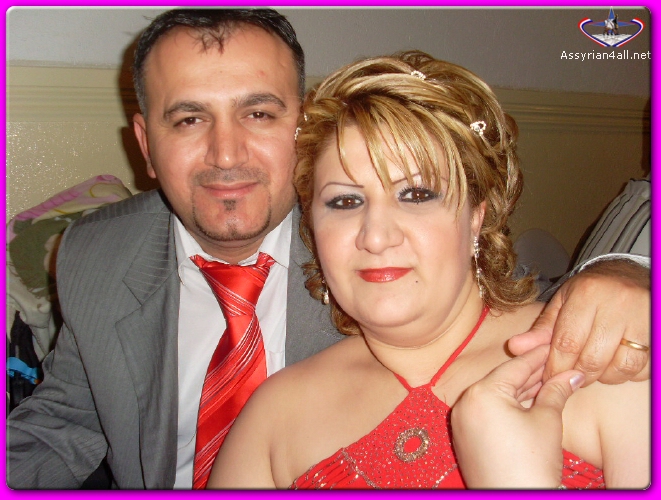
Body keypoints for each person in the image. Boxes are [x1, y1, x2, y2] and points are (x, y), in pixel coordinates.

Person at [6, 9, 649, 490]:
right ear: (146, 144)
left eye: (259, 113)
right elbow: (61, 423)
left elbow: (539, 295)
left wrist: (627, 270)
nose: (225, 154)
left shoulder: (600, 370)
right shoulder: (96, 256)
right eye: (190, 118)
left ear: (300, 129)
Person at [208, 51, 650, 489]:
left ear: (476, 216)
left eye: (416, 195)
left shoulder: (603, 365)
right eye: (345, 201)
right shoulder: (273, 417)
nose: (376, 236)